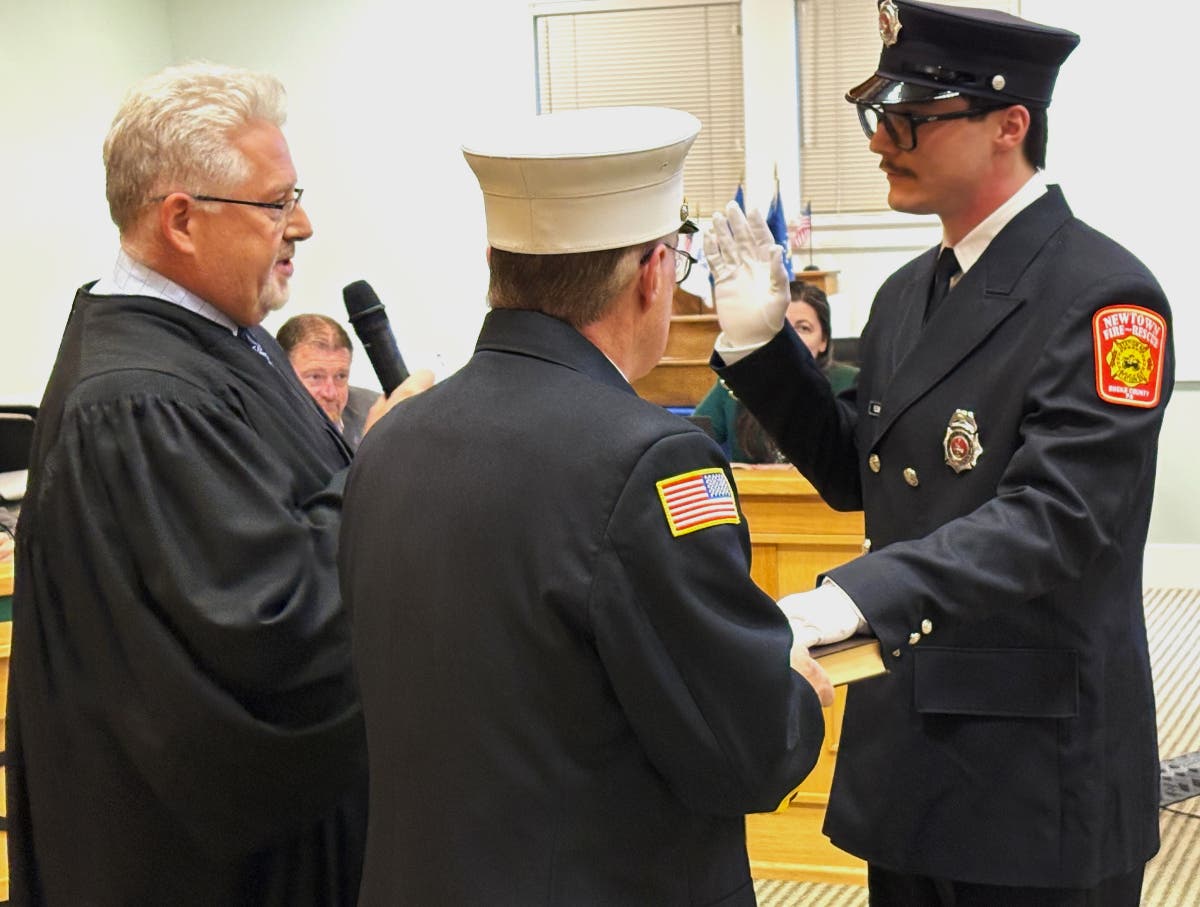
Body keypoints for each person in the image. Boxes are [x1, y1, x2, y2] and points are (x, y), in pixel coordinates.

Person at [704, 2, 1172, 904]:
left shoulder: (1105, 295)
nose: (883, 143)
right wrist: (764, 351)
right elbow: (859, 475)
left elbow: (1058, 518)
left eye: (913, 118)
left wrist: (859, 592)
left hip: (1033, 760)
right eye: (880, 118)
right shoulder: (907, 291)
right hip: (911, 743)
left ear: (1010, 125)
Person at [338, 105, 832, 906]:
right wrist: (796, 697)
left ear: (494, 261)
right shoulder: (651, 462)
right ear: (652, 274)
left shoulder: (389, 440)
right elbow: (740, 751)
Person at [6, 61, 429, 906]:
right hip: (197, 866)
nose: (301, 225)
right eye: (276, 204)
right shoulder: (136, 402)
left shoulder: (229, 337)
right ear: (182, 221)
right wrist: (384, 462)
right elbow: (273, 635)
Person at [694, 280, 857, 462]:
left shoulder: (851, 382)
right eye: (781, 326)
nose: (791, 338)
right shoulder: (738, 381)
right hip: (753, 489)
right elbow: (692, 439)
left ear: (823, 341)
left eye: (803, 328)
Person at [276, 312, 380, 449]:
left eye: (340, 376)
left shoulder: (375, 412)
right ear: (281, 374)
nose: (331, 394)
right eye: (315, 377)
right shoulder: (258, 425)